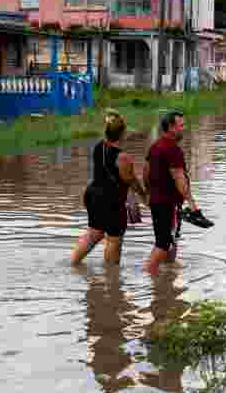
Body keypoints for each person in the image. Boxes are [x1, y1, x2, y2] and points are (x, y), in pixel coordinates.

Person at [71, 109, 148, 266]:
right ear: (123, 133)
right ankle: (111, 279)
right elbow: (131, 181)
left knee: (94, 233)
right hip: (111, 201)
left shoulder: (99, 146)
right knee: (114, 239)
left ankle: (73, 263)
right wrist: (144, 196)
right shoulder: (123, 158)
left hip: (92, 195)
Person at [143, 110, 198, 276]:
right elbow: (179, 178)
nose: (184, 128)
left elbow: (145, 171)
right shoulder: (173, 150)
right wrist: (193, 204)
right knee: (164, 242)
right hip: (167, 203)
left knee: (171, 238)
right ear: (171, 128)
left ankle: (168, 274)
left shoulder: (156, 146)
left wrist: (148, 193)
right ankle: (149, 275)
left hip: (158, 201)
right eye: (181, 126)